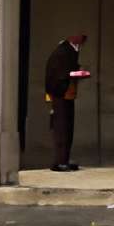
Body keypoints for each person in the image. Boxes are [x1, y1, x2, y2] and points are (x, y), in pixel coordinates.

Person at [41, 31, 90, 172]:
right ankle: (60, 161)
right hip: (60, 95)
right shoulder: (62, 52)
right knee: (61, 128)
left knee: (67, 127)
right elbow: (60, 73)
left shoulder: (67, 51)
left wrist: (77, 70)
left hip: (66, 94)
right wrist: (74, 73)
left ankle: (64, 159)